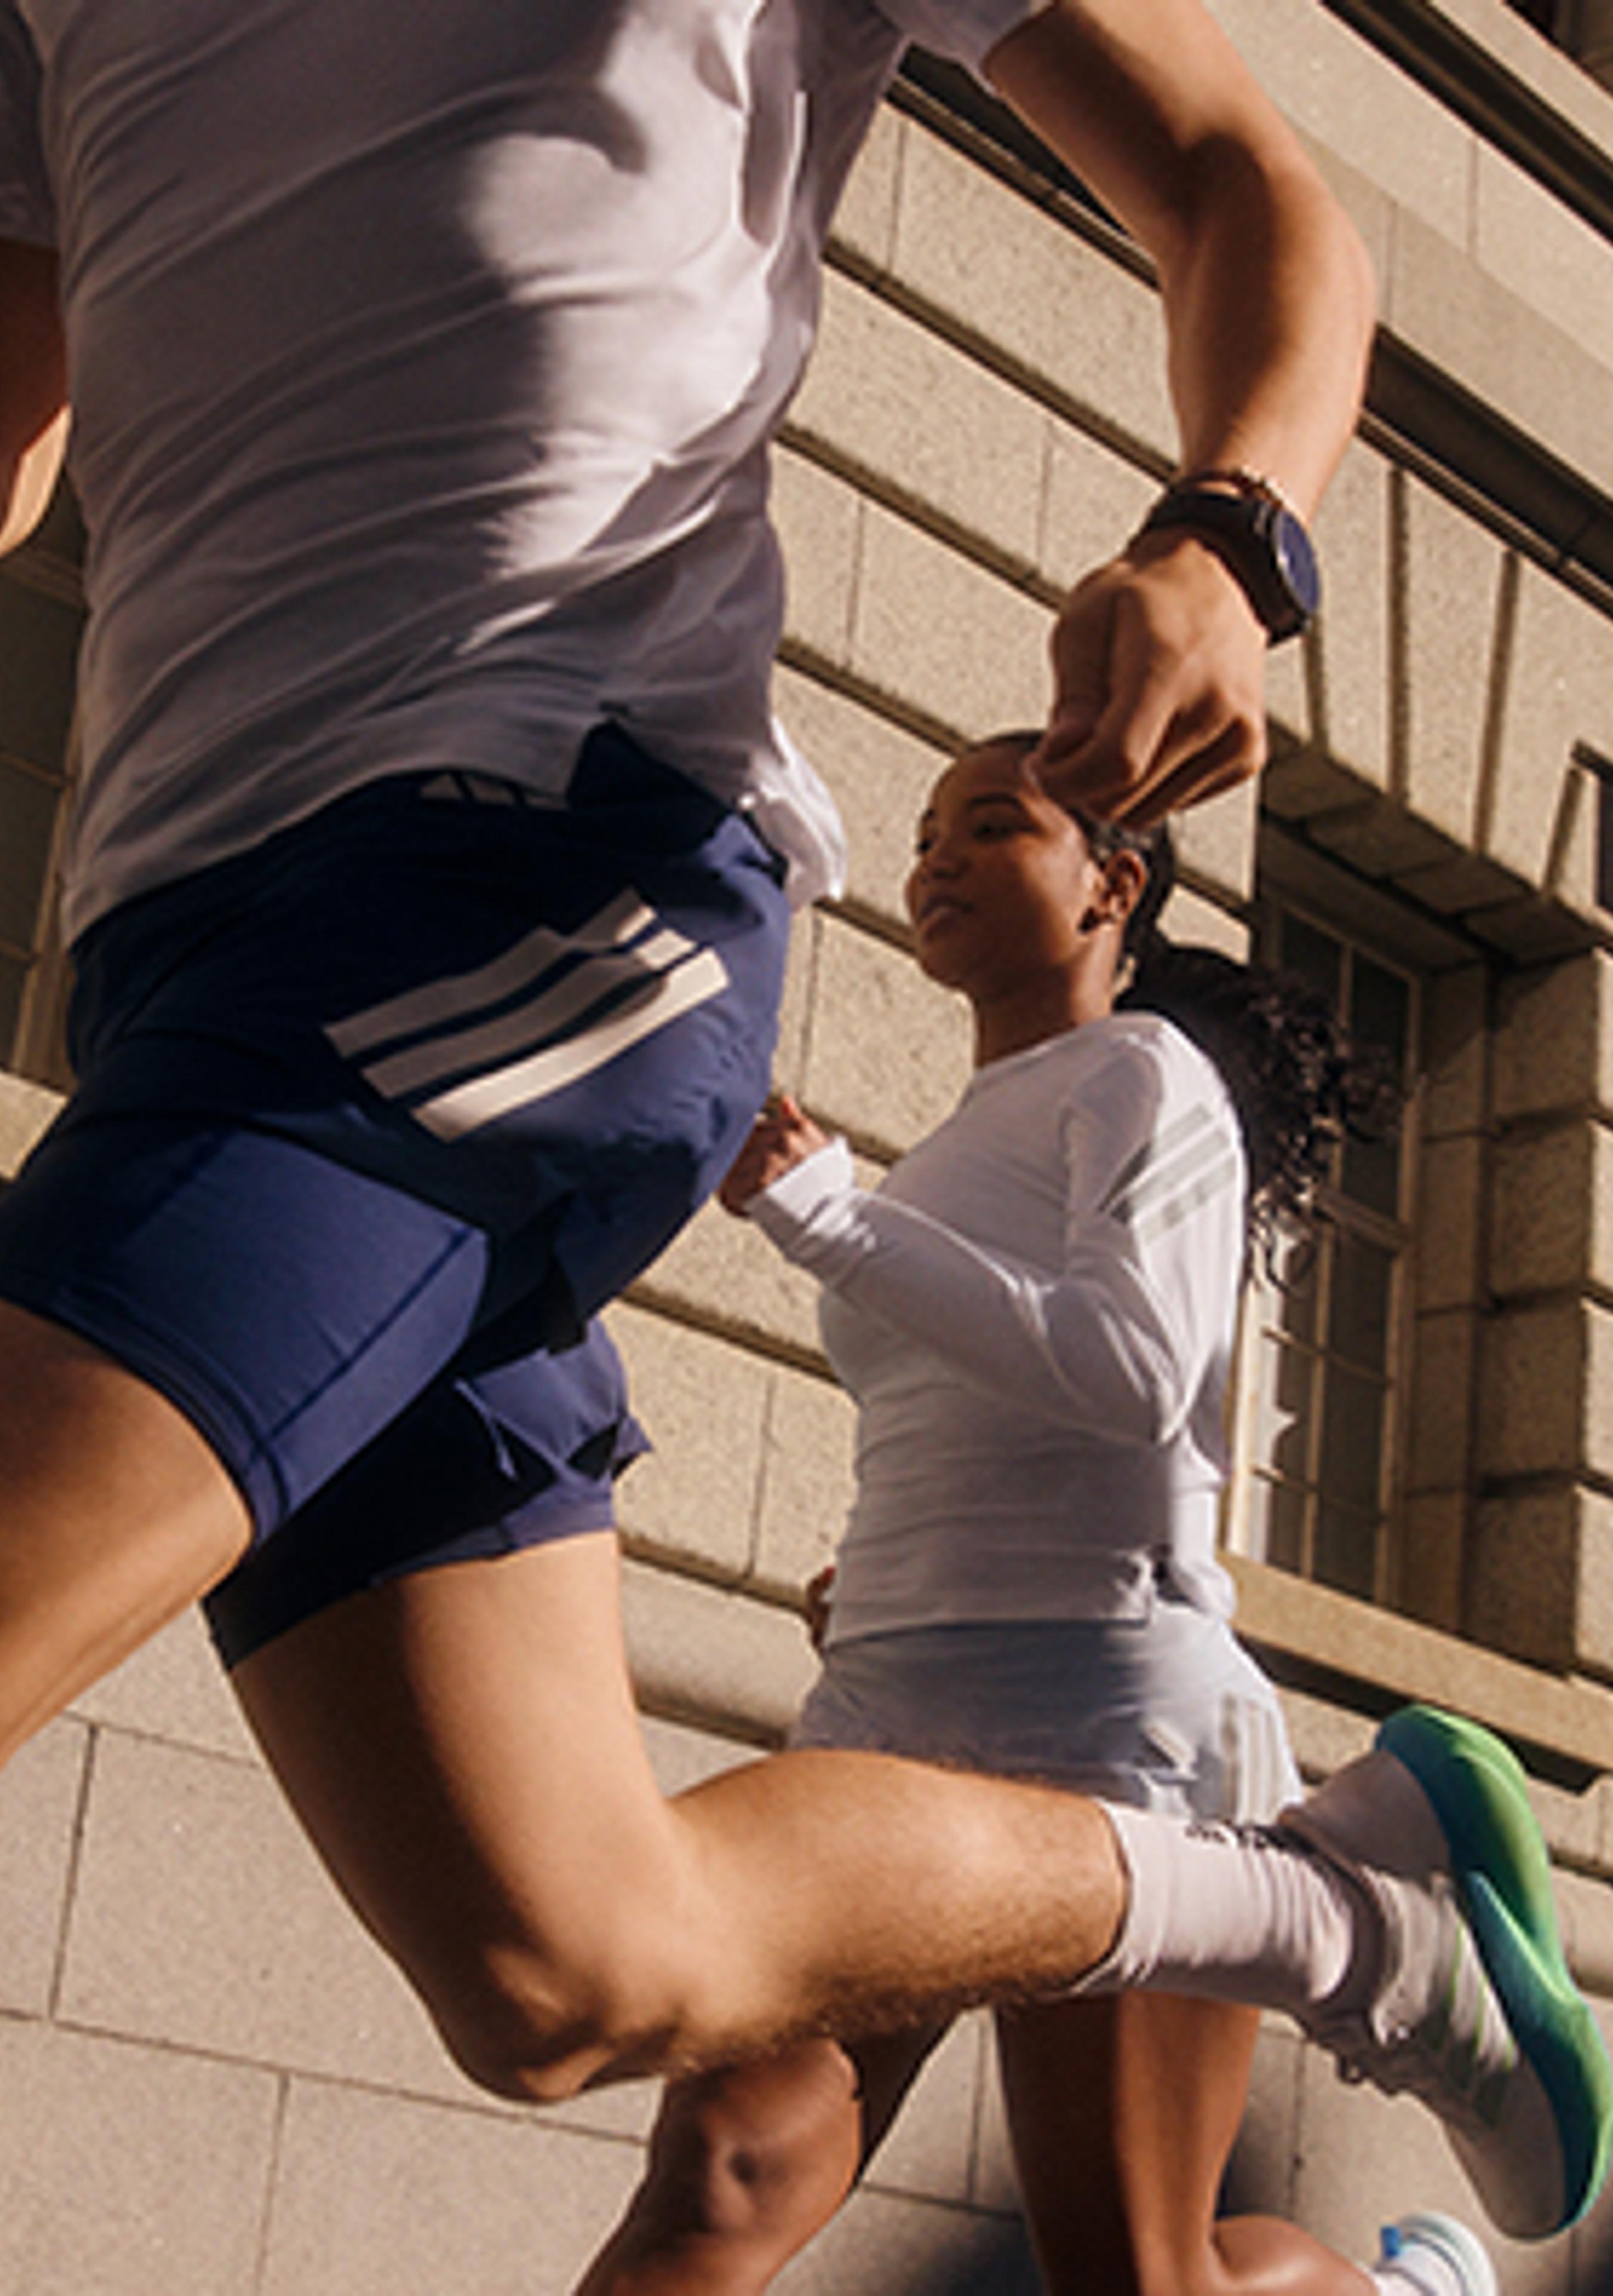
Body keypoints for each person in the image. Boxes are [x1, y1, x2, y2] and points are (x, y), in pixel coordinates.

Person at [0, 4, 1611, 2292]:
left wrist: (1229, 537)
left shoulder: (1119, 1091)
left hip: (533, 851)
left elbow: (1248, 180)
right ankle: (1351, 1914)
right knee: (575, 1964)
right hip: (186, 947)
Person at [573, 732, 1501, 2296]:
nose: (936, 860)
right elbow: (967, 1413)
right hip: (890, 1705)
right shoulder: (943, 1154)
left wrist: (832, 1225)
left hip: (1106, 1720)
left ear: (1110, 885)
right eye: (929, 830)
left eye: (991, 828)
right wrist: (887, 1565)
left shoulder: (1150, 1079)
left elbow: (1135, 1371)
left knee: (1134, 2277)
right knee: (724, 2179)